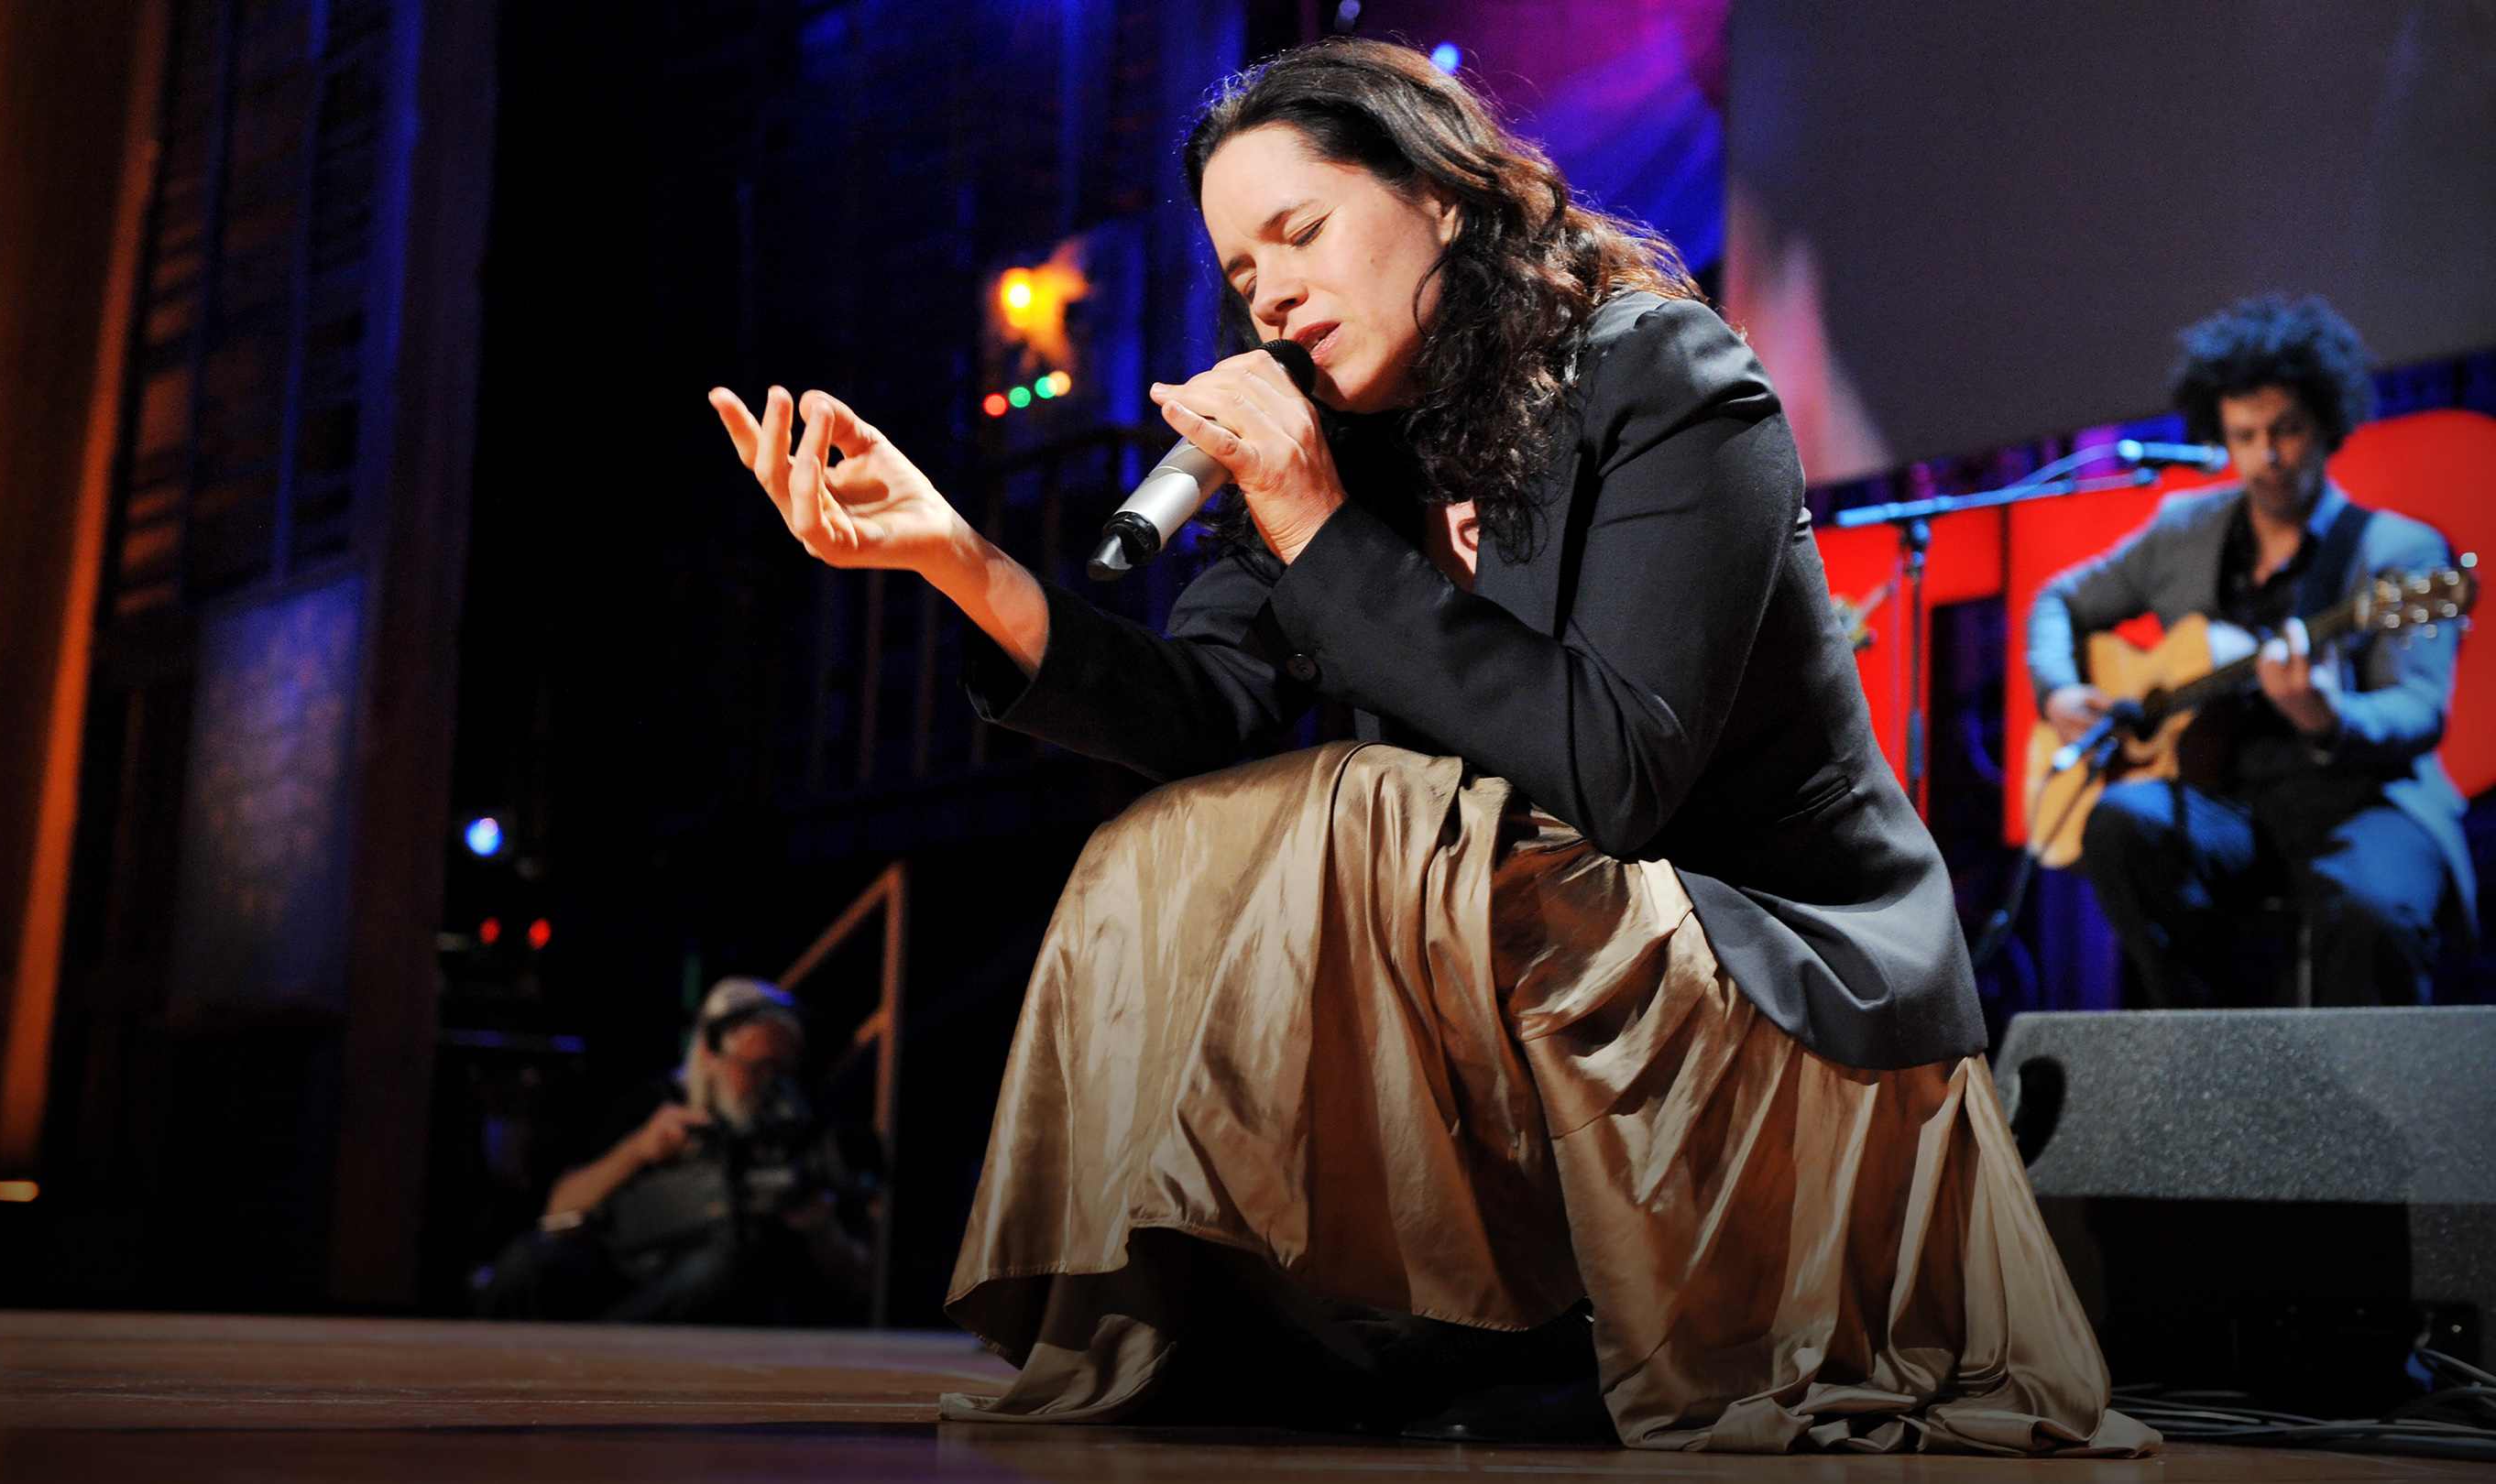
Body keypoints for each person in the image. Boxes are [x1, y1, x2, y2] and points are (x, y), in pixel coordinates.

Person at [711, 39, 2150, 1457]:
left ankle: (1564, 1319)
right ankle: (1368, 1316)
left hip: (1774, 972)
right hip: (1545, 950)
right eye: (1241, 272)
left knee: (1372, 811)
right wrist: (959, 561)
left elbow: (1617, 774)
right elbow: (1193, 712)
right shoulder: (1354, 448)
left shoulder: (1665, 380)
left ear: (1444, 200)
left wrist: (1315, 521)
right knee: (1167, 841)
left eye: (1300, 233)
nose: (1270, 293)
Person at [2030, 297, 2471, 1009]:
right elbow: (2060, 601)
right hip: (2228, 804)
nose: (2267, 457)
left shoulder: (2401, 551)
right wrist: (2056, 689)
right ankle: (2205, 1047)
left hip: (2363, 802)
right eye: (2245, 435)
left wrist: (2329, 717)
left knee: (2372, 914)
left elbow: (2419, 708)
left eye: (2287, 430)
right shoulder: (2185, 529)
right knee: (2120, 824)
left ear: (2326, 425)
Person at [474, 978, 874, 1325]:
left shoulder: (801, 1129)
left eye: (784, 1070)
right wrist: (638, 1150)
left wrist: (821, 1229)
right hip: (627, 1279)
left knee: (726, 1271)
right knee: (529, 1260)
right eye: (758, 1067)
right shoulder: (658, 1106)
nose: (771, 1084)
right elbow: (557, 1212)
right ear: (711, 1055)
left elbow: (856, 1284)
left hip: (711, 1299)